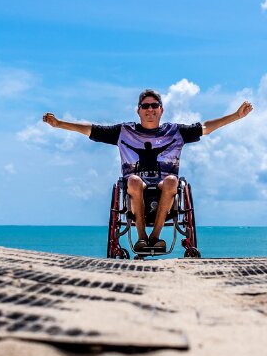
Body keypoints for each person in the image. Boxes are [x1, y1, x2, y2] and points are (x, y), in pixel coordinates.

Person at [43, 89, 253, 252]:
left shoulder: (175, 132)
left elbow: (205, 128)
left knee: (172, 181)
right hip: (135, 187)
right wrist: (59, 124)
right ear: (138, 110)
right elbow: (91, 130)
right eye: (145, 106)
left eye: (154, 105)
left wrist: (236, 116)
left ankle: (155, 237)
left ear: (161, 109)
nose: (150, 109)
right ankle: (142, 238)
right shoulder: (125, 131)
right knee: (133, 181)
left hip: (165, 187)